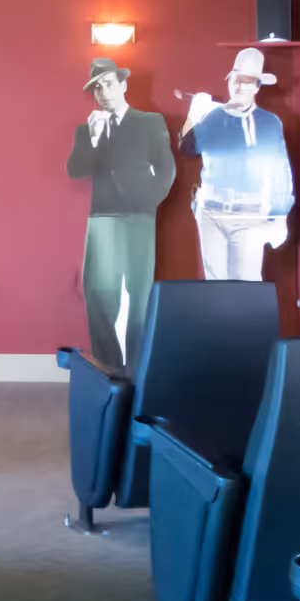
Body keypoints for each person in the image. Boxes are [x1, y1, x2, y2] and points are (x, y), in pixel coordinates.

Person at [65, 57, 176, 368]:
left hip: (139, 216)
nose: (103, 91)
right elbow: (76, 170)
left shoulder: (149, 122)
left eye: (108, 83)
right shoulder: (86, 128)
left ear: (123, 85)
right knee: (98, 291)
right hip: (101, 217)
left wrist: (149, 201)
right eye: (97, 87)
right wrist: (94, 137)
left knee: (136, 293)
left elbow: (167, 168)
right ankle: (107, 364)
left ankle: (135, 369)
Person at [178, 47, 293, 281]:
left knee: (247, 284)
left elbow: (281, 171)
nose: (239, 86)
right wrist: (194, 114)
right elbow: (185, 148)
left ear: (257, 87)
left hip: (250, 214)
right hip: (211, 212)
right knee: (216, 285)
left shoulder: (270, 123)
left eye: (247, 81)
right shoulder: (212, 118)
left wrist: (281, 215)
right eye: (235, 79)